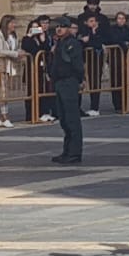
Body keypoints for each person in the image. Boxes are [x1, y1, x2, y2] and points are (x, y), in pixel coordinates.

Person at [48, 20, 85, 165]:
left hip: (69, 82)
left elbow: (76, 65)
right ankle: (67, 150)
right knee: (63, 118)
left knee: (72, 118)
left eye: (62, 27)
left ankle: (75, 152)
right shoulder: (60, 43)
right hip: (60, 83)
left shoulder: (72, 44)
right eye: (57, 26)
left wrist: (80, 79)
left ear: (69, 29)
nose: (59, 29)